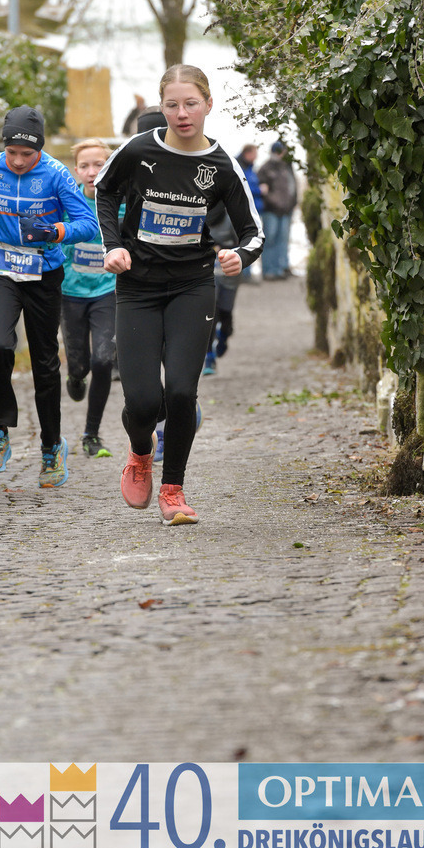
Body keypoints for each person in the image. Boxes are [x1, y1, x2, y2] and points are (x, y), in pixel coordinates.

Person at [94, 64, 264, 525]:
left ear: (209, 104)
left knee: (183, 392)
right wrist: (113, 246)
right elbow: (103, 191)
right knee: (145, 400)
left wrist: (239, 258)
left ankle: (173, 490)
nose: (182, 113)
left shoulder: (221, 165)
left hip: (192, 286)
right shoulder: (138, 149)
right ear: (162, 106)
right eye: (172, 104)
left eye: (191, 103)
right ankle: (139, 452)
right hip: (138, 288)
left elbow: (254, 232)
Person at [0, 105, 99, 487]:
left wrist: (54, 232)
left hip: (44, 273)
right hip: (5, 266)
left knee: (44, 363)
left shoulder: (55, 175)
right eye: (13, 153)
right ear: (3, 148)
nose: (19, 161)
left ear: (40, 150)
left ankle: (52, 447)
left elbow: (86, 224)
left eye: (28, 154)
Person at [60, 138, 120, 459]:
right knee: (80, 363)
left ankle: (91, 434)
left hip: (106, 292)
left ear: (109, 166)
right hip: (70, 294)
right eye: (85, 166)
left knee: (103, 359)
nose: (92, 171)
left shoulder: (120, 205)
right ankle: (73, 374)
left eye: (98, 164)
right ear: (76, 171)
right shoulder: (68, 204)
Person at [202, 201, 241, 376]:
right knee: (210, 313)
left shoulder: (231, 218)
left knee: (225, 311)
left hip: (229, 274)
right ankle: (209, 357)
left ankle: (225, 332)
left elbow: (244, 241)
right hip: (208, 274)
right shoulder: (197, 217)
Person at [257, 140, 297, 280]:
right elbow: (263, 191)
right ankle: (269, 271)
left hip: (286, 210)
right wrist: (275, 202)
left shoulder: (286, 167)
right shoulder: (265, 168)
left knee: (282, 240)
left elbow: (292, 188)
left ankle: (280, 269)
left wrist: (292, 203)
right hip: (271, 210)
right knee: (270, 240)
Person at [236, 143, 263, 285]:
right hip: (241, 211)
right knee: (244, 241)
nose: (256, 157)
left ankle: (245, 273)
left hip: (253, 211)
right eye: (255, 154)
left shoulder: (250, 168)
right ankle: (242, 273)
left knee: (251, 241)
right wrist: (260, 190)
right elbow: (244, 188)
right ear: (247, 153)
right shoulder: (238, 166)